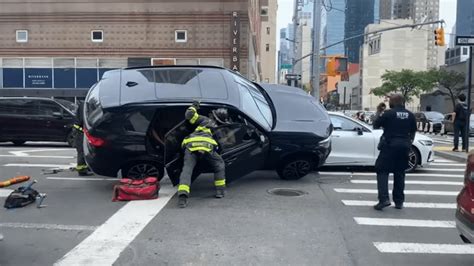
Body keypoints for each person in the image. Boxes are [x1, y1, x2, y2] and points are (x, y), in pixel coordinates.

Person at [177, 103, 226, 208]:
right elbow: (223, 144)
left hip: (191, 145)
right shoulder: (220, 129)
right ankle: (220, 191)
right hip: (206, 147)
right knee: (219, 165)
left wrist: (194, 106)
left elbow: (189, 115)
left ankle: (182, 197)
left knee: (187, 170)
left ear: (213, 115)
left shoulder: (204, 120)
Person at [373, 94, 417, 210]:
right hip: (404, 146)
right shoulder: (410, 115)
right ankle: (399, 201)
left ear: (394, 102)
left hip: (389, 146)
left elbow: (376, 124)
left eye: (390, 101)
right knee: (400, 173)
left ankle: (384, 199)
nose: (389, 103)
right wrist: (408, 143)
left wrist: (379, 111)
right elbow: (413, 131)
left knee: (382, 170)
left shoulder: (389, 113)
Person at [73, 101, 92, 176]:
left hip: (81, 132)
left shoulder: (84, 105)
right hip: (81, 133)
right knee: (82, 151)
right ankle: (82, 171)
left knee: (84, 151)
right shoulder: (85, 106)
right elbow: (82, 120)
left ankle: (85, 168)